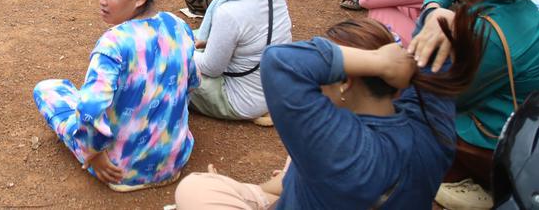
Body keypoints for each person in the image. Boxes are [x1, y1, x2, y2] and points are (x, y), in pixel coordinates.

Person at [175, 17, 481, 210]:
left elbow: (281, 62)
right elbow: (436, 55)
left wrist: (382, 62)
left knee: (194, 188)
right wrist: (440, 17)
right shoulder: (430, 128)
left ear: (345, 82)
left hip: (323, 185)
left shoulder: (337, 149)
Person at [33, 0, 198, 192]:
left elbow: (90, 108)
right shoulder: (178, 25)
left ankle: (103, 153)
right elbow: (191, 82)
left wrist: (94, 151)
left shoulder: (114, 42)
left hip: (120, 169)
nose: (102, 0)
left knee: (48, 89)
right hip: (174, 161)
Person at [409, 0, 539, 207]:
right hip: (527, 116)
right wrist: (434, 10)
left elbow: (455, 96)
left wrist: (428, 25)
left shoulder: (488, 35)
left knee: (415, 105)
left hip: (502, 139)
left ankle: (461, 178)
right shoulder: (518, 1)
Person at [189, 0, 291, 122]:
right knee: (191, 37)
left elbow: (211, 68)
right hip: (274, 88)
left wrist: (178, 51)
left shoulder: (229, 11)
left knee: (165, 65)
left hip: (241, 100)